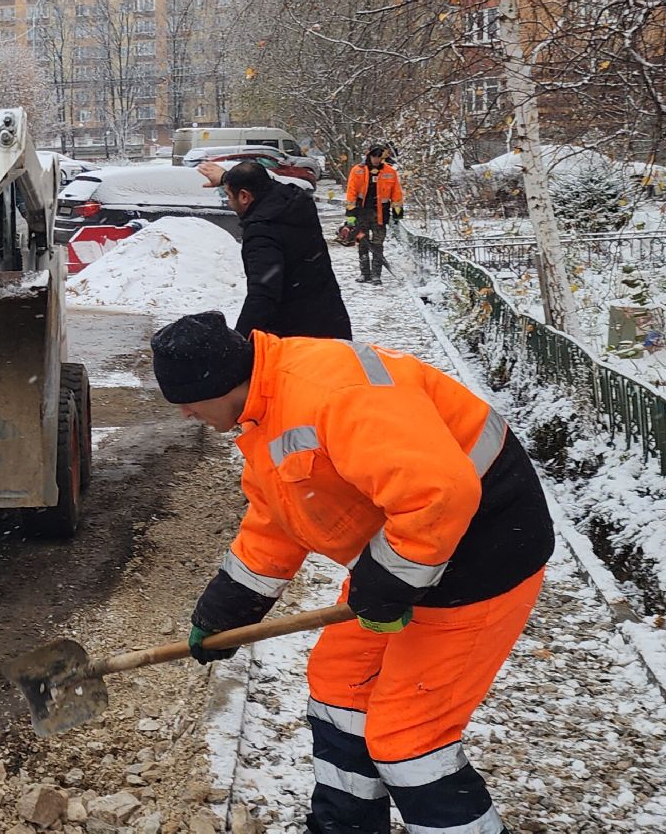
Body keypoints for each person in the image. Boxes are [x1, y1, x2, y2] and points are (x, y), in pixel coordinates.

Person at [152, 310, 552, 834]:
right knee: (340, 687)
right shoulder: (266, 406)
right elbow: (279, 516)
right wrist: (228, 608)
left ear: (219, 384)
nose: (185, 413)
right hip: (412, 550)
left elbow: (441, 495)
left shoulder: (330, 393)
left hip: (483, 554)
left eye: (186, 401)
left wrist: (390, 583)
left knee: (409, 738)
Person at [196, 160, 352, 340]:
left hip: (298, 337)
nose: (230, 202)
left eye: (229, 196)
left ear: (244, 196)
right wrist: (227, 178)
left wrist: (239, 342)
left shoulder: (261, 232)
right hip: (332, 320)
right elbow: (261, 181)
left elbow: (263, 295)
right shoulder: (296, 201)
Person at [343, 145, 404, 284]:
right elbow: (351, 192)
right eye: (374, 156)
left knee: (378, 244)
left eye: (379, 157)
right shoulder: (357, 171)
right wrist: (350, 216)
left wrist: (397, 215)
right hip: (361, 213)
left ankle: (376, 275)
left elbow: (396, 194)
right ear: (369, 156)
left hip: (380, 214)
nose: (376, 159)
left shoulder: (390, 172)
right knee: (362, 242)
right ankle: (365, 274)